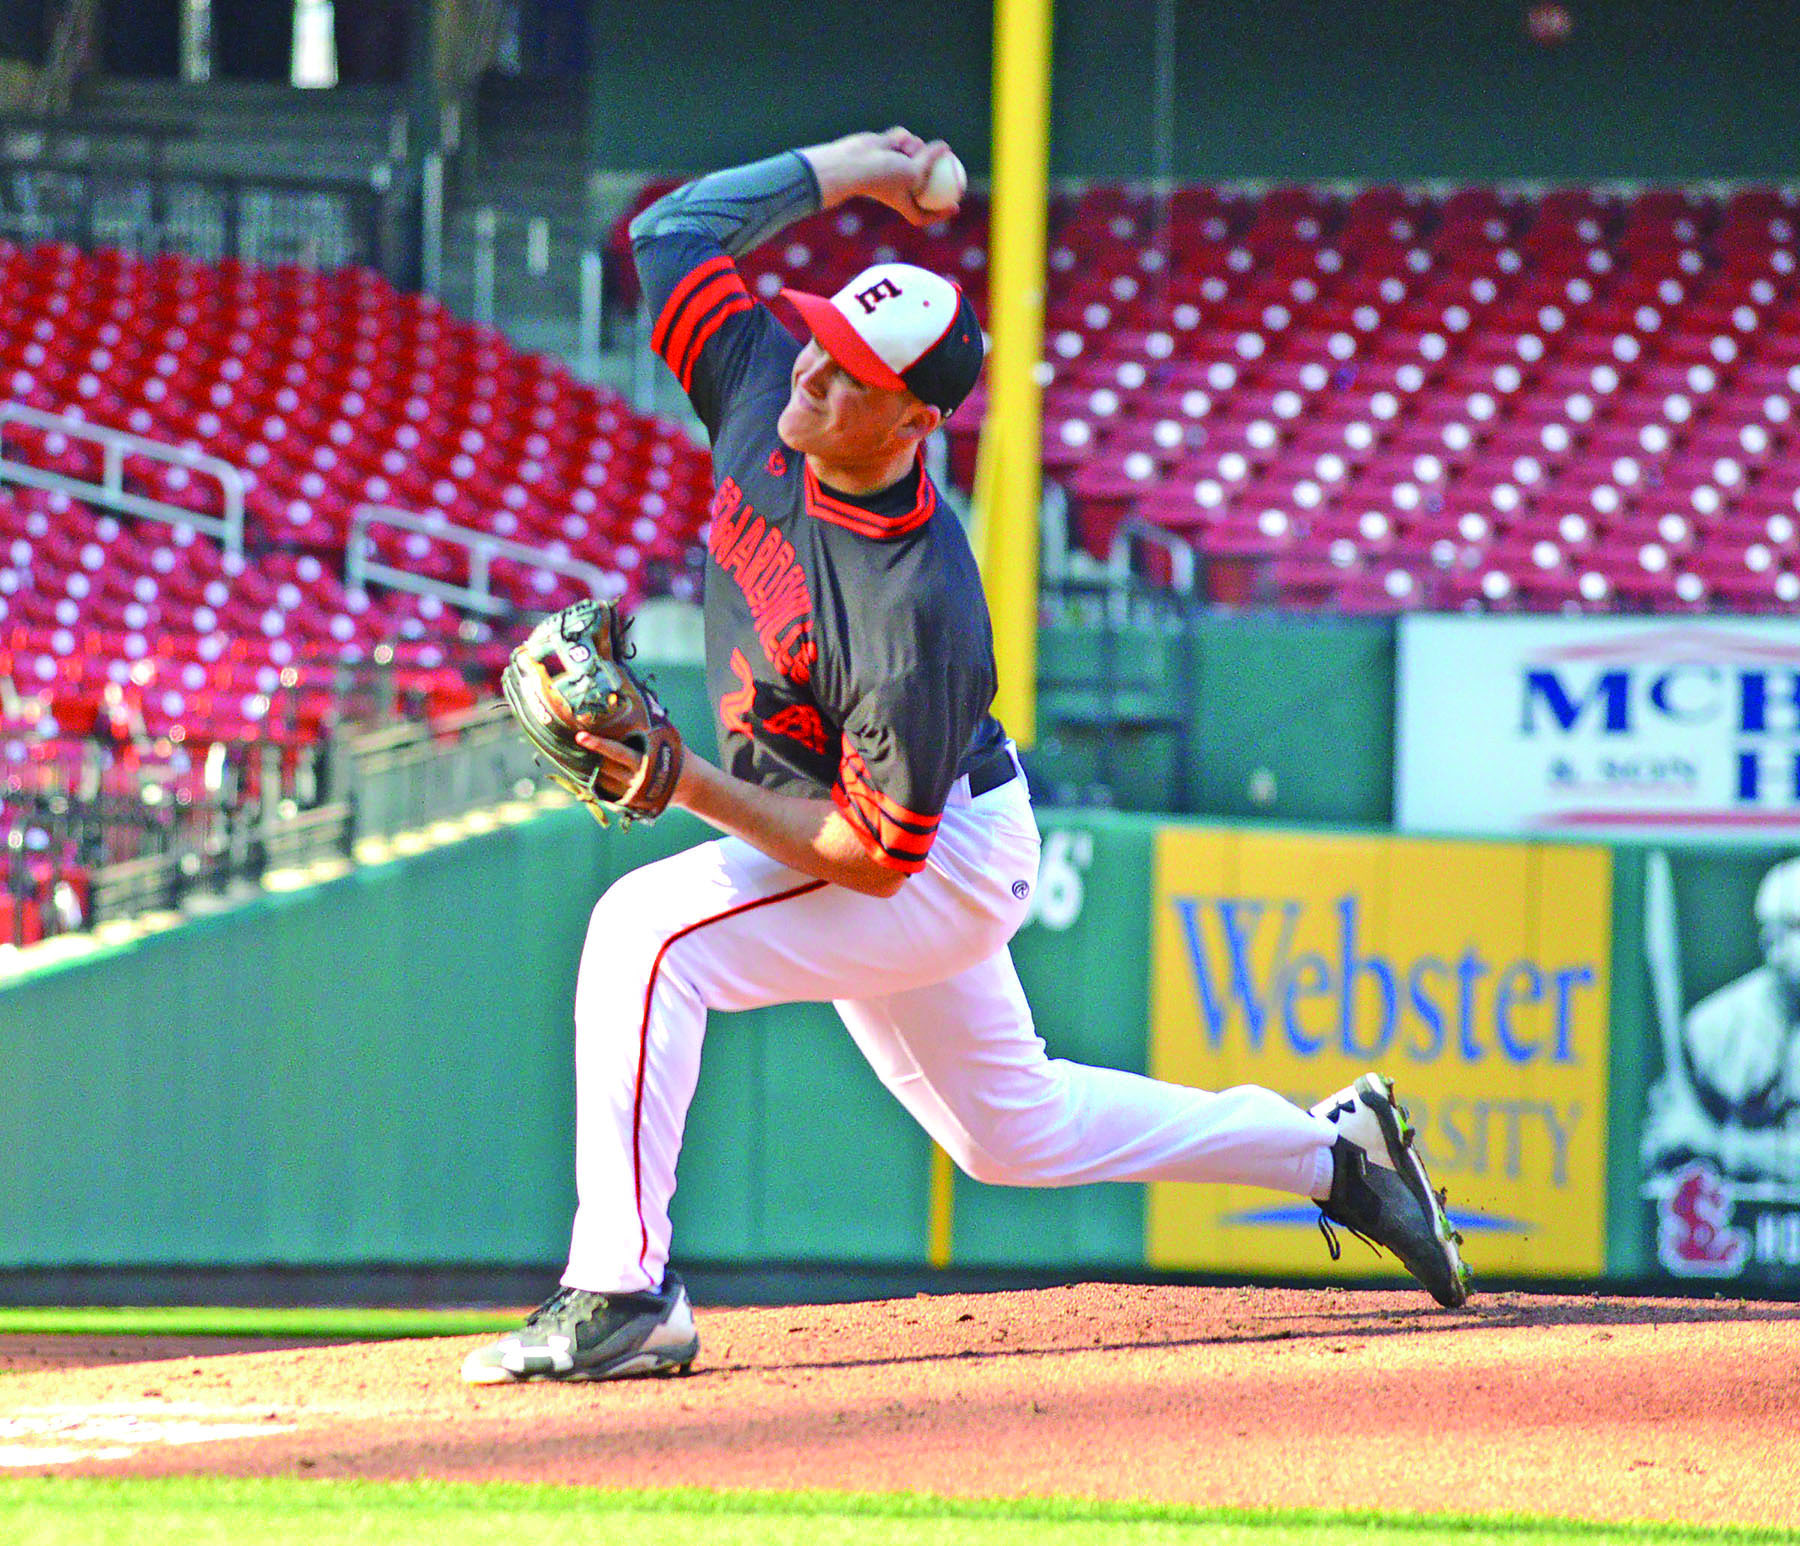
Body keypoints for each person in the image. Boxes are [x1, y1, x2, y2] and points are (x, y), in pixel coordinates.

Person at [462, 129, 1470, 1385]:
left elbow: (877, 861)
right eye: (819, 346)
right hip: (842, 823)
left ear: (915, 420)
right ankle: (1334, 1156)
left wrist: (685, 782)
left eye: (849, 375)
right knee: (1012, 1131)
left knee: (641, 934)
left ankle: (620, 1287)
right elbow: (671, 234)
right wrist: (851, 164)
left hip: (934, 852)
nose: (811, 377)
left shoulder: (917, 606)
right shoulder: (768, 384)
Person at [1643, 853, 1800, 1181]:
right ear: (1773, 941)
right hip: (1735, 1223)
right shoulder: (1716, 1027)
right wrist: (1675, 1133)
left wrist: (1717, 1144)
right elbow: (1656, 1147)